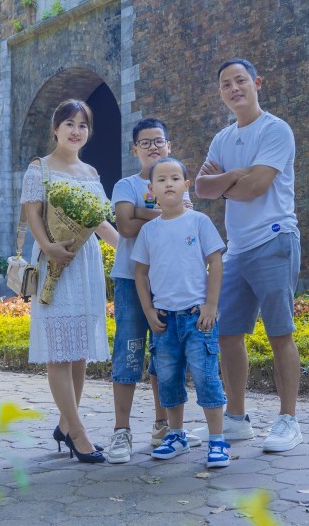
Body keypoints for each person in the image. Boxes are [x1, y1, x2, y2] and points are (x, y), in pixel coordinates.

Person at [195, 58, 303, 453]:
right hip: (236, 249)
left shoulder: (276, 130)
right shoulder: (222, 139)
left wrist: (228, 179)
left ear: (257, 82)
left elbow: (257, 185)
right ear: (221, 93)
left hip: (274, 239)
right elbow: (201, 188)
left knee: (280, 333)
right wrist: (233, 178)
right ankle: (237, 420)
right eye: (226, 84)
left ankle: (288, 420)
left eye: (240, 80)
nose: (234, 88)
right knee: (226, 334)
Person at [20, 99, 115, 464]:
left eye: (83, 125)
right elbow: (34, 216)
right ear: (55, 128)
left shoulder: (91, 173)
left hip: (86, 264)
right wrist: (49, 248)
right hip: (55, 263)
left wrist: (131, 249)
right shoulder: (39, 169)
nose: (76, 131)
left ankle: (65, 423)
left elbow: (101, 223)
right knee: (60, 352)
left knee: (78, 353)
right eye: (69, 124)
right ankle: (78, 433)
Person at [105, 118, 199, 463]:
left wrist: (144, 212)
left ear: (169, 145)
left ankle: (164, 426)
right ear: (135, 150)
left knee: (166, 354)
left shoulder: (177, 180)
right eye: (145, 143)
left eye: (158, 141)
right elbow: (125, 226)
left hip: (168, 282)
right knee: (129, 351)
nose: (153, 148)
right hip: (131, 280)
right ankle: (121, 431)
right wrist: (158, 210)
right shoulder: (125, 185)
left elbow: (183, 221)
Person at [133, 157, 230, 468]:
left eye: (175, 178)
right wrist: (148, 309)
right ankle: (176, 435)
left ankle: (217, 440)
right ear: (152, 191)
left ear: (187, 186)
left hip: (196, 317)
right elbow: (140, 273)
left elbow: (215, 262)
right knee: (169, 380)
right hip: (163, 320)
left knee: (206, 378)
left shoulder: (198, 221)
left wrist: (211, 305)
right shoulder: (149, 231)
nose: (169, 184)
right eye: (161, 180)